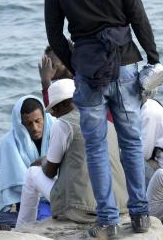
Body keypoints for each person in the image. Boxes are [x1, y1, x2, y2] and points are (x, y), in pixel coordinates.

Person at [44, 0, 158, 240]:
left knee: (95, 145)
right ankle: (140, 214)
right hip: (124, 62)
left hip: (89, 70)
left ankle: (107, 220)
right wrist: (152, 55)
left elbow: (55, 35)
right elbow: (137, 13)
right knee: (131, 139)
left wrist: (76, 64)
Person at [16, 79, 130, 228]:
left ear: (65, 103)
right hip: (119, 206)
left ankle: (22, 228)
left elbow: (49, 172)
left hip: (82, 210)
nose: (53, 115)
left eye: (54, 109)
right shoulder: (107, 122)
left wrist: (44, 160)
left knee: (32, 173)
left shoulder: (63, 124)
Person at [0, 96, 52, 212]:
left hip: (60, 191)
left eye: (38, 121)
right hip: (28, 197)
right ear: (20, 124)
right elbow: (18, 185)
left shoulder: (57, 130)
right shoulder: (8, 143)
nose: (35, 128)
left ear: (44, 117)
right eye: (28, 123)